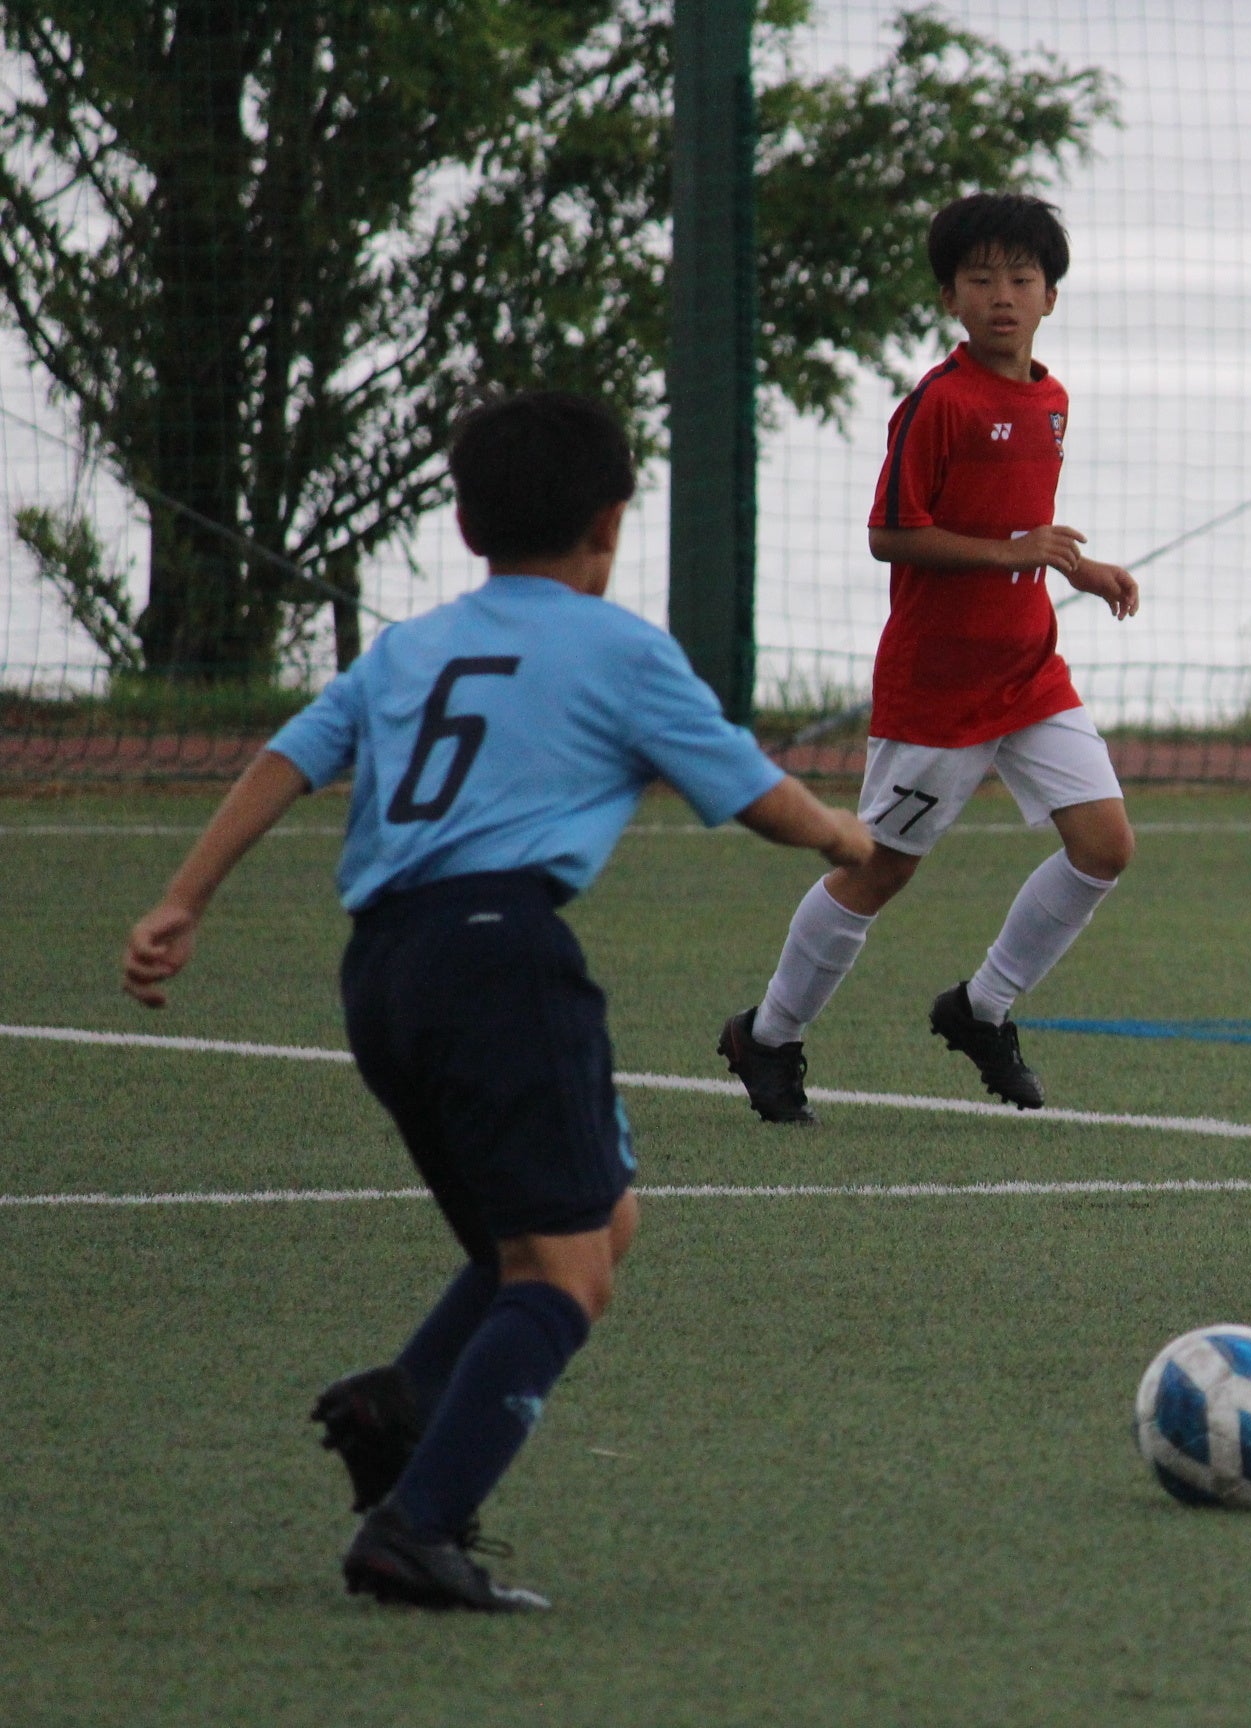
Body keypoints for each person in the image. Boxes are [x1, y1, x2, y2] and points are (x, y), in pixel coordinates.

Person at [119, 392, 877, 1610]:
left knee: (591, 1221)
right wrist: (838, 831)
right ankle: (416, 1528)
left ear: (468, 524)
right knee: (566, 1277)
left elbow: (288, 759)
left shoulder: (408, 647)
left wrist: (182, 900)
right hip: (501, 960)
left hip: (384, 973)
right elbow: (754, 794)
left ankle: (407, 1402)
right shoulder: (619, 649)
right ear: (611, 522)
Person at [719, 191, 1140, 1122]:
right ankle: (769, 1035)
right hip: (939, 690)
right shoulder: (937, 403)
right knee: (880, 866)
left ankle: (981, 1008)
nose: (1003, 295)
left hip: (1030, 673)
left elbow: (1020, 528)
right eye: (980, 280)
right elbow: (891, 534)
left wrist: (1075, 565)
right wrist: (1015, 551)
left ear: (1051, 296)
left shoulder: (1052, 400)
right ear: (950, 297)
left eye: (1021, 278)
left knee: (1105, 846)